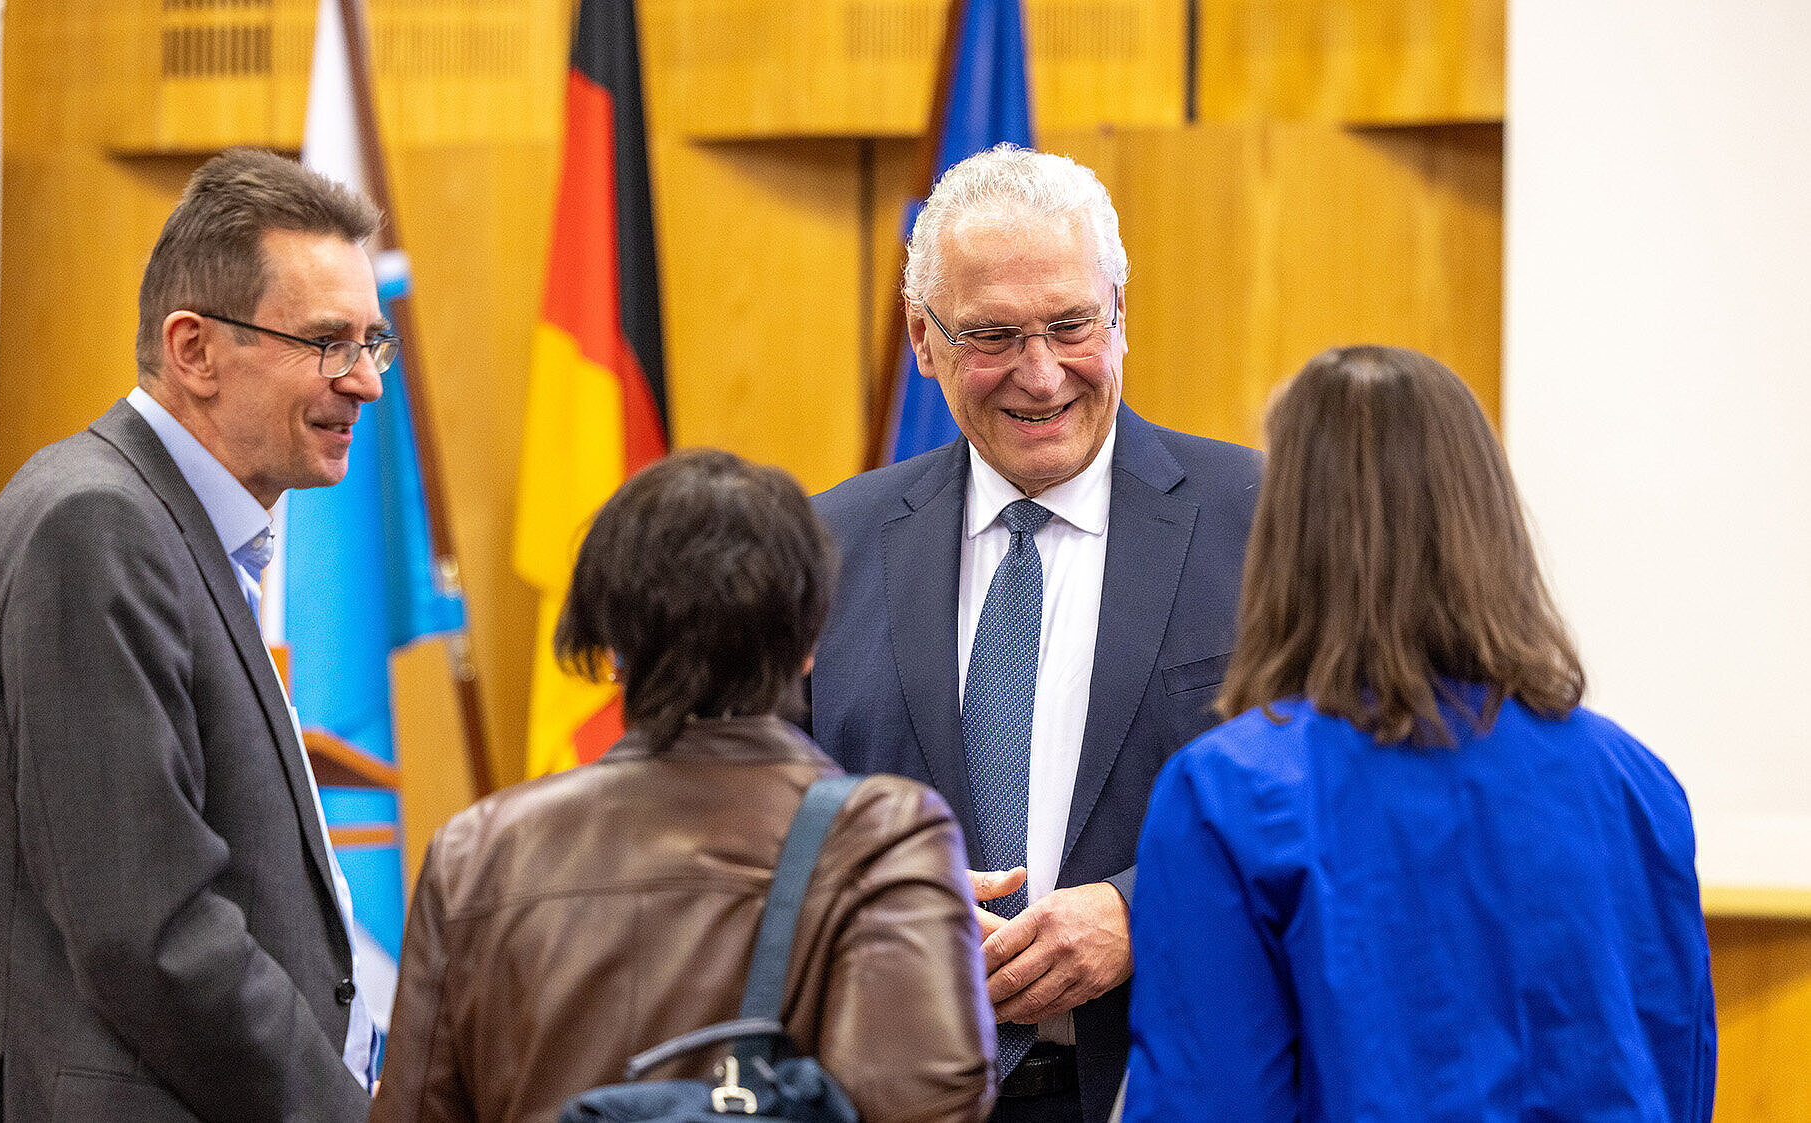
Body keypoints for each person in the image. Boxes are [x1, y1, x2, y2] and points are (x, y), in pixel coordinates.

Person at [1121, 345, 1716, 1121]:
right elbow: (1679, 1069)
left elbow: (1209, 1100)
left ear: (1288, 534)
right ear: (1487, 516)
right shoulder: (1635, 782)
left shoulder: (1229, 795)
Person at [0, 147, 394, 1121]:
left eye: (371, 343)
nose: (366, 384)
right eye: (326, 343)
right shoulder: (96, 527)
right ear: (194, 350)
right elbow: (151, 931)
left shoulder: (166, 523)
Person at [808, 144, 1261, 1122]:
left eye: (1069, 325)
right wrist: (875, 902)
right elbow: (759, 815)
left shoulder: (1262, 524)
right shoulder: (824, 546)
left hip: (1166, 1085)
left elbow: (1337, 806)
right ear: (921, 340)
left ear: (1121, 317)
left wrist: (1146, 912)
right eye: (993, 335)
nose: (1042, 373)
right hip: (891, 1088)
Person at [371, 449, 996, 1123]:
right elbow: (929, 1103)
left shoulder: (475, 852)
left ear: (611, 648)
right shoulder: (886, 837)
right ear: (810, 638)